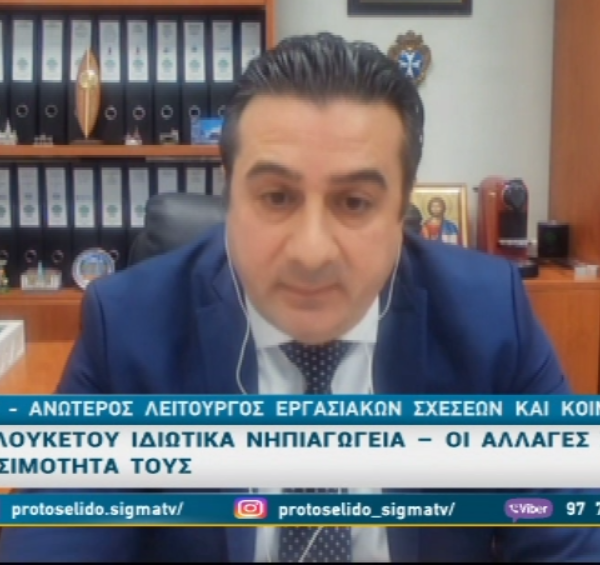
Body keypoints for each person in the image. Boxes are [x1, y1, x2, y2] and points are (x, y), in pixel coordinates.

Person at [1, 33, 599, 562]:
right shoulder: (130, 327)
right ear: (230, 193)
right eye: (277, 197)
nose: (312, 253)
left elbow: (574, 535)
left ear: (402, 208)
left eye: (355, 203)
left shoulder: (490, 317)